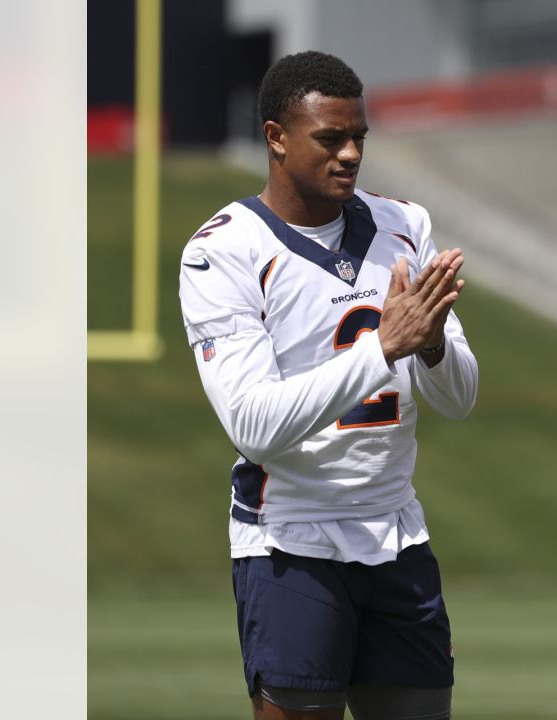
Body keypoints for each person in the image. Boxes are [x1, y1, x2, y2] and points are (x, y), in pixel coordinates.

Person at [179, 50, 477, 720]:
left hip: (396, 533)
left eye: (359, 138)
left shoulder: (405, 225)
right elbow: (252, 425)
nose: (349, 154)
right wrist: (385, 348)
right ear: (276, 137)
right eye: (329, 139)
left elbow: (459, 398)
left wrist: (429, 341)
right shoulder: (224, 251)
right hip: (292, 539)